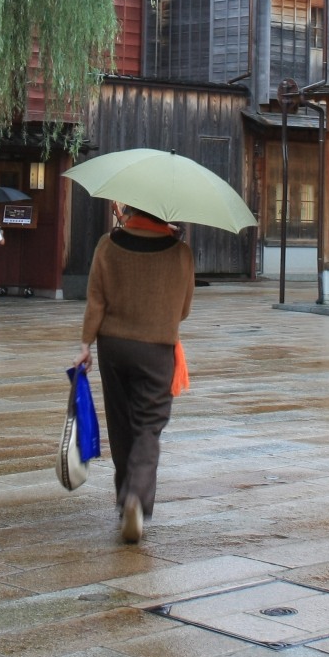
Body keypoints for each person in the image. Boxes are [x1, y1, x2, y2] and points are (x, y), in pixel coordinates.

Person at [75, 205, 194, 544]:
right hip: (157, 348)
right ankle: (135, 496)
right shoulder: (181, 253)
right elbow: (183, 309)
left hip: (112, 345)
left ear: (130, 211)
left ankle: (123, 491)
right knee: (148, 425)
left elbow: (96, 302)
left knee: (121, 422)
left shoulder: (107, 245)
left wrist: (85, 344)